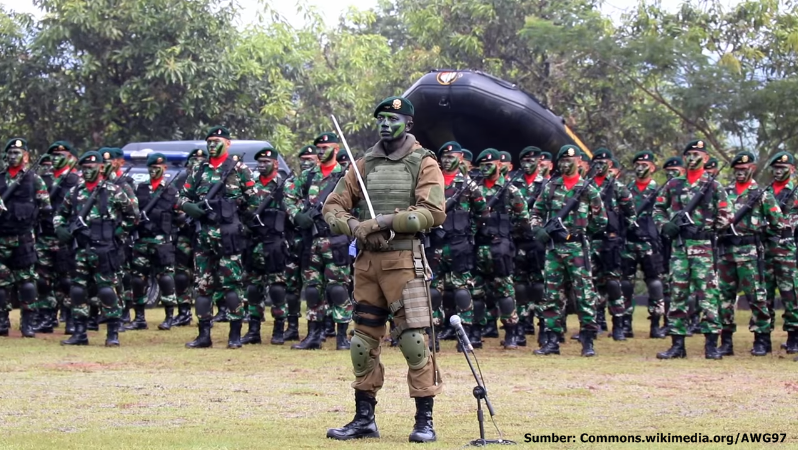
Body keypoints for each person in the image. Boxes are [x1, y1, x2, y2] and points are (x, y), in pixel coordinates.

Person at [323, 96, 443, 442]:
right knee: (362, 342)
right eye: (381, 119)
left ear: (408, 123)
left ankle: (424, 420)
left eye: (393, 118)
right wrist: (355, 226)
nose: (386, 124)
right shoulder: (364, 164)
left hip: (404, 261)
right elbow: (333, 206)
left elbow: (433, 212)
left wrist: (387, 221)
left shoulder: (423, 162)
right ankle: (364, 419)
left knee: (413, 340)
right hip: (367, 263)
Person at [179, 126, 260, 349]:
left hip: (229, 236)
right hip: (204, 234)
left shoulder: (239, 169)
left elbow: (254, 202)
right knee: (203, 286)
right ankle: (203, 335)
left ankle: (235, 335)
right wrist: (189, 206)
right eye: (210, 141)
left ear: (228, 143)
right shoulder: (198, 169)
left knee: (232, 285)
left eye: (217, 141)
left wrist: (237, 217)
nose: (213, 145)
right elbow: (182, 196)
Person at [653, 140, 732, 359]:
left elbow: (726, 214)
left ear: (706, 158)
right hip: (679, 247)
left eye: (697, 154)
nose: (692, 158)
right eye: (689, 154)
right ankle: (677, 345)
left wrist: (709, 228)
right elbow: (658, 209)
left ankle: (711, 346)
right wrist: (665, 225)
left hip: (703, 247)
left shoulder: (713, 185)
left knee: (707, 295)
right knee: (678, 294)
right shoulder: (673, 185)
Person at [55, 151, 137, 346]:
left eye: (92, 167)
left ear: (101, 168)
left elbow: (133, 215)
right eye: (84, 168)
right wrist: (61, 229)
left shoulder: (113, 191)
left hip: (105, 249)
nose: (88, 171)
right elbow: (60, 214)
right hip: (81, 249)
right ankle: (80, 332)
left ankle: (112, 333)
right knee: (77, 290)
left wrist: (118, 232)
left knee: (107, 291)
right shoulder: (75, 192)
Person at [531, 145, 607, 356]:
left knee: (584, 294)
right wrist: (539, 230)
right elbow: (536, 212)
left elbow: (601, 220)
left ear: (579, 163)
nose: (567, 164)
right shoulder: (551, 187)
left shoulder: (588, 189)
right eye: (563, 160)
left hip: (577, 250)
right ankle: (552, 341)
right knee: (552, 295)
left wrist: (580, 233)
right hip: (554, 249)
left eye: (571, 161)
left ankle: (588, 341)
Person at [284, 132, 352, 350]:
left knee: (338, 289)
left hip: (336, 240)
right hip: (312, 241)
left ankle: (342, 337)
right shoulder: (308, 175)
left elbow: (360, 205)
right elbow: (289, 195)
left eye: (325, 148)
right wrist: (297, 215)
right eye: (319, 148)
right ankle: (313, 334)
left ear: (336, 148)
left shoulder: (346, 176)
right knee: (313, 289)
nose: (321, 152)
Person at [717, 151, 782, 356]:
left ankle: (762, 340)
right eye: (736, 170)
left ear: (752, 169)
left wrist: (761, 236)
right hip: (726, 251)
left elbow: (777, 223)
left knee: (756, 297)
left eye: (744, 169)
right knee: (724, 297)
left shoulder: (761, 194)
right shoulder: (725, 192)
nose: (739, 173)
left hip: (750, 253)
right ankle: (726, 341)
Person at [427, 141, 481, 351]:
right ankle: (433, 336)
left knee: (462, 292)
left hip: (459, 246)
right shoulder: (432, 182)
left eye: (452, 157)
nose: (448, 160)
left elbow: (481, 214)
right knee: (433, 293)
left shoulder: (468, 184)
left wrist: (467, 235)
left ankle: (465, 337)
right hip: (436, 246)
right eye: (445, 157)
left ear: (460, 159)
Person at [241, 146, 292, 345]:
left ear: (276, 164)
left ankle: (279, 329)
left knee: (277, 288)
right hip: (254, 242)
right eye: (260, 162)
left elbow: (290, 213)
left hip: (275, 243)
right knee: (253, 288)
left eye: (266, 162)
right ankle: (253, 329)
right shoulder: (250, 185)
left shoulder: (282, 186)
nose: (262, 165)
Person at [0, 138, 51, 338]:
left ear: (26, 156)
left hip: (24, 237)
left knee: (27, 282)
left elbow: (46, 207)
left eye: (17, 153)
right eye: (10, 152)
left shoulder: (34, 179)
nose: (13, 156)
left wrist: (32, 216)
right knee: (1, 284)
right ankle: (2, 322)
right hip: (2, 237)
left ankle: (28, 323)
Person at [589, 149, 636, 341]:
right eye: (596, 162)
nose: (599, 166)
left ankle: (618, 324)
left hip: (611, 243)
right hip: (590, 241)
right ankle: (597, 322)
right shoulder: (586, 186)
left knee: (613, 284)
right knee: (591, 284)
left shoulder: (619, 189)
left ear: (610, 165)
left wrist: (617, 233)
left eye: (604, 162)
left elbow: (631, 217)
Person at [130, 153, 181, 330]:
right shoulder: (141, 189)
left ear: (164, 168)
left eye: (158, 168)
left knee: (165, 279)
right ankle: (139, 318)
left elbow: (179, 215)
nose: (154, 171)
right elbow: (133, 211)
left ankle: (169, 317)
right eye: (151, 168)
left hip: (162, 242)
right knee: (138, 280)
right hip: (143, 240)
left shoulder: (171, 190)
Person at [34, 141, 80, 334]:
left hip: (65, 237)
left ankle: (70, 318)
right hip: (45, 235)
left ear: (70, 157)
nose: (56, 159)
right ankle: (47, 317)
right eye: (53, 155)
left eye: (61, 155)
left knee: (66, 280)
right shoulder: (42, 179)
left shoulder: (77, 181)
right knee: (42, 279)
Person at [621, 151, 666, 339]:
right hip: (629, 242)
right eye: (637, 164)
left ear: (652, 168)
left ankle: (656, 324)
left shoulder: (660, 190)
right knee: (626, 284)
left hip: (650, 243)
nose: (640, 168)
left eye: (644, 164)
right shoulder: (626, 190)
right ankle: (625, 324)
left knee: (654, 283)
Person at [510, 146, 547, 345]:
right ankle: (522, 326)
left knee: (540, 286)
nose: (527, 163)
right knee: (520, 286)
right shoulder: (513, 184)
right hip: (519, 241)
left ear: (539, 161)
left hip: (539, 242)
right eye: (524, 160)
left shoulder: (547, 185)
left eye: (531, 159)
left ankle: (544, 327)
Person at [765, 152, 798, 354]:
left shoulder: (795, 192)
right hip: (766, 250)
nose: (779, 171)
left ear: (792, 170)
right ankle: (763, 337)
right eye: (776, 168)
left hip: (788, 251)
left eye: (784, 168)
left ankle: (794, 336)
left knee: (791, 296)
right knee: (764, 296)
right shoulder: (765, 191)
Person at [171, 148, 206, 327]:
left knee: (209, 273)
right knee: (181, 273)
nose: (197, 163)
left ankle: (218, 310)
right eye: (194, 160)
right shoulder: (182, 179)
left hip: (207, 232)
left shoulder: (212, 177)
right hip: (185, 231)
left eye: (201, 160)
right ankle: (184, 311)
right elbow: (176, 202)